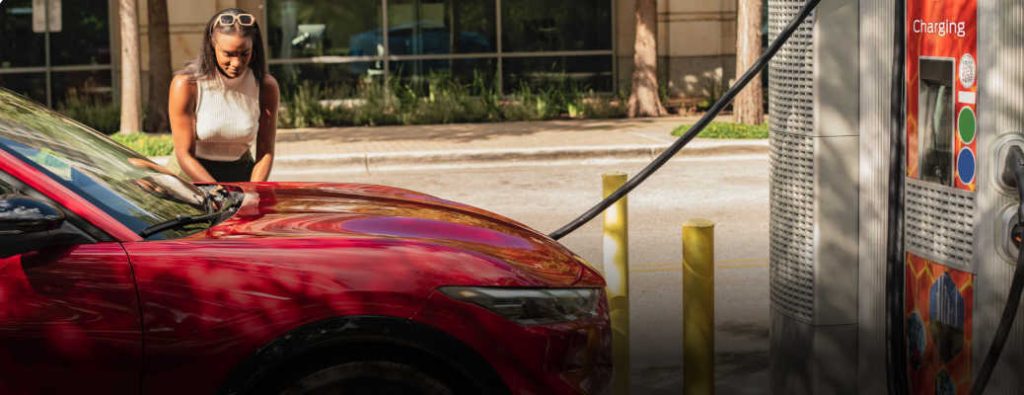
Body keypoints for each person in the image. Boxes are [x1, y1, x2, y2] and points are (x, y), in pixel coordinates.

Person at [168, 8, 279, 183]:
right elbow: (184, 154)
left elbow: (265, 151)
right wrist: (216, 191)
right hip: (189, 178)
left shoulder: (266, 86)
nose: (237, 63)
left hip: (240, 176)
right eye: (228, 54)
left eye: (244, 54)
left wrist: (254, 190)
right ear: (212, 45)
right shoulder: (186, 84)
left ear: (254, 48)